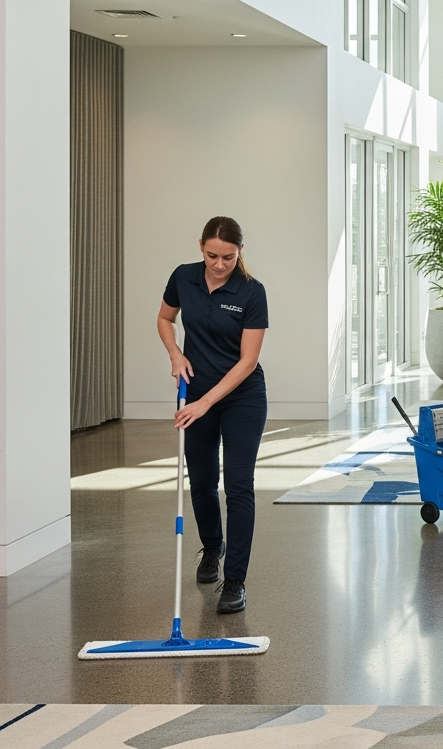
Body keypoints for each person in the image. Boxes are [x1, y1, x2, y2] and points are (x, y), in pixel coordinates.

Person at [156, 216, 269, 614]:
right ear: (201, 247)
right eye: (212, 256)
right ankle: (212, 548)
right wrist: (175, 354)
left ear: (240, 252)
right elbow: (165, 318)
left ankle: (235, 579)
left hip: (242, 398)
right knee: (202, 481)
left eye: (228, 257)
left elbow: (247, 362)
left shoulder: (252, 291)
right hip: (195, 392)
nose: (219, 264)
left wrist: (205, 403)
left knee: (238, 486)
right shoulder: (183, 277)